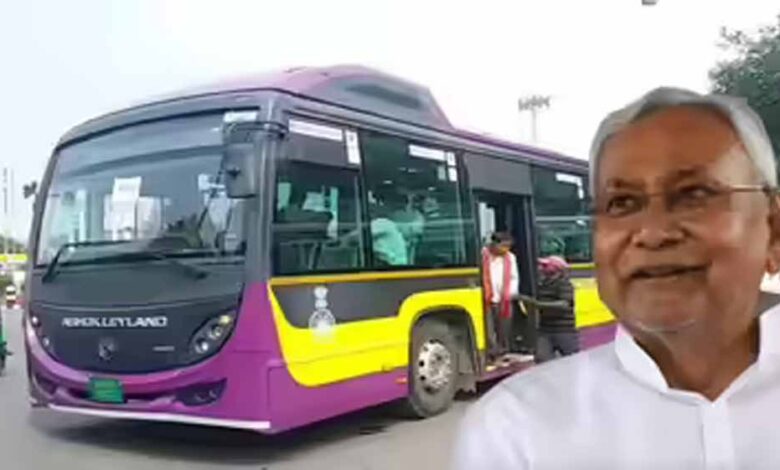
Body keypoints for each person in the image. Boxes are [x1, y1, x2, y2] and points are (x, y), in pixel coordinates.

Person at [452, 87, 780, 469]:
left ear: (773, 230)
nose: (653, 233)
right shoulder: (514, 430)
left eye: (694, 194)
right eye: (621, 203)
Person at [482, 232, 519, 358]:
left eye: (508, 246)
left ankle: (503, 350)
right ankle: (492, 352)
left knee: (504, 327)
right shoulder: (483, 255)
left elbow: (514, 277)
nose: (506, 249)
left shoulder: (510, 258)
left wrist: (510, 293)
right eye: (503, 246)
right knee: (488, 328)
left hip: (504, 299)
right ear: (494, 244)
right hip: (487, 298)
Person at [535, 256, 579, 362]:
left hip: (563, 330)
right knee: (542, 359)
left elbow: (564, 304)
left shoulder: (564, 284)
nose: (540, 268)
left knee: (571, 360)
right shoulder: (543, 284)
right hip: (545, 328)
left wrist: (538, 304)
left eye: (545, 266)